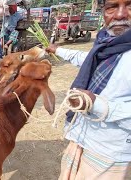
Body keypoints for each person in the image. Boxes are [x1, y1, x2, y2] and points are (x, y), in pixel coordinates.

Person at [46, 0, 131, 179]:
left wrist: (95, 104)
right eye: (112, 7)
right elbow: (86, 59)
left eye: (130, 5)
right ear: (104, 11)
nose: (120, 14)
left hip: (108, 153)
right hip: (81, 136)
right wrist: (58, 50)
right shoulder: (105, 45)